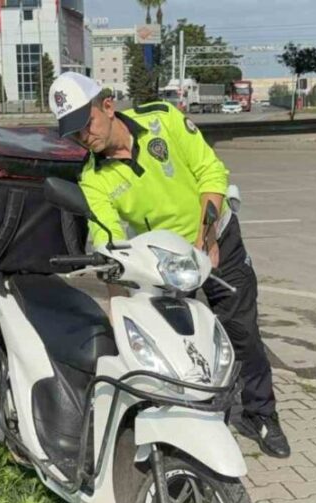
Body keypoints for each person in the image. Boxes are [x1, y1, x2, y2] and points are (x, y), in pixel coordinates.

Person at [46, 72, 290, 459]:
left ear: (107, 106)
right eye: (72, 132)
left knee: (241, 330)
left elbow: (211, 172)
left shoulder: (162, 119)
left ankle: (260, 414)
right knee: (180, 342)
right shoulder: (93, 179)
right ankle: (196, 420)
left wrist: (206, 239)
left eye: (86, 123)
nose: (83, 136)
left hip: (216, 236)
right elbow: (109, 244)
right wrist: (118, 303)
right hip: (167, 261)